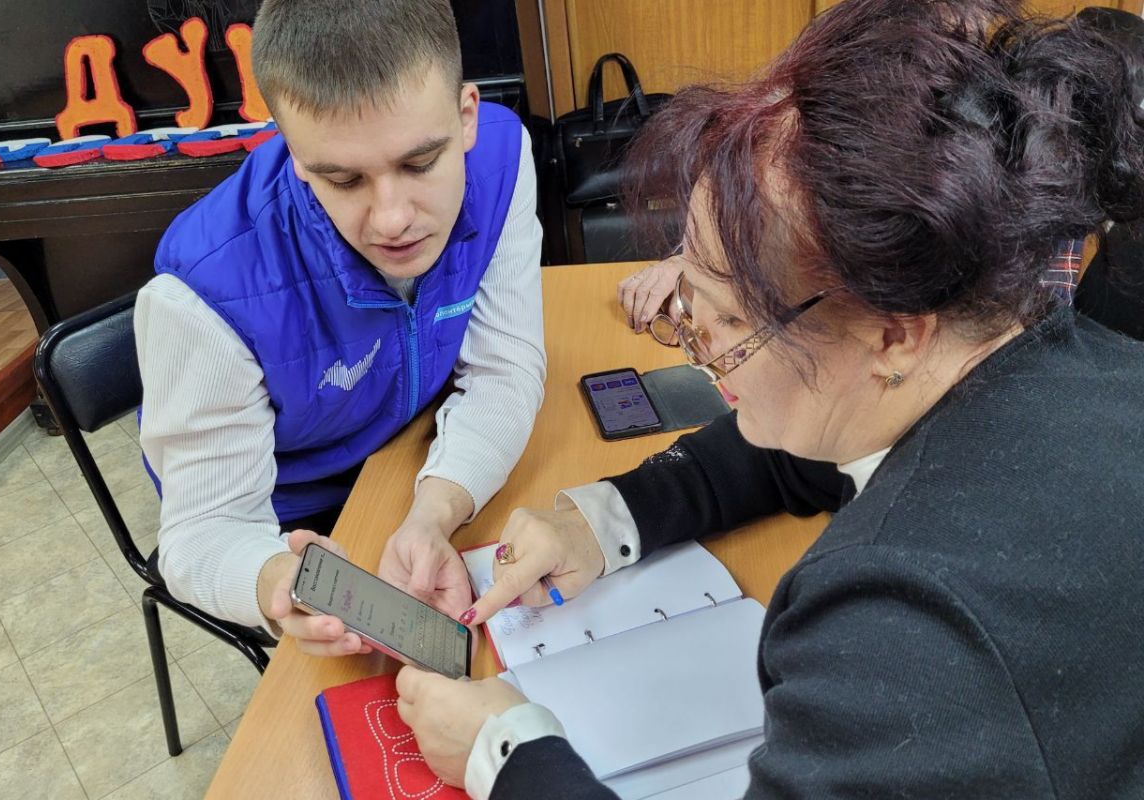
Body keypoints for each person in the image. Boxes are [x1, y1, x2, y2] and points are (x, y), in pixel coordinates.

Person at [394, 0, 1144, 797]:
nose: (698, 343)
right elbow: (814, 454)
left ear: (893, 333)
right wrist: (603, 520)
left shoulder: (899, 630)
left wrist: (508, 752)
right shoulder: (1060, 363)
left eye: (727, 318)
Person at [134, 0, 545, 650]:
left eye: (419, 164)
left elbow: (504, 369)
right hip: (300, 522)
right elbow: (202, 529)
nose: (391, 219)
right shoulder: (200, 298)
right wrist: (274, 578)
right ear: (295, 154)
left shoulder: (502, 159)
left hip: (410, 453)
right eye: (343, 179)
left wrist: (432, 514)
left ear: (466, 117)